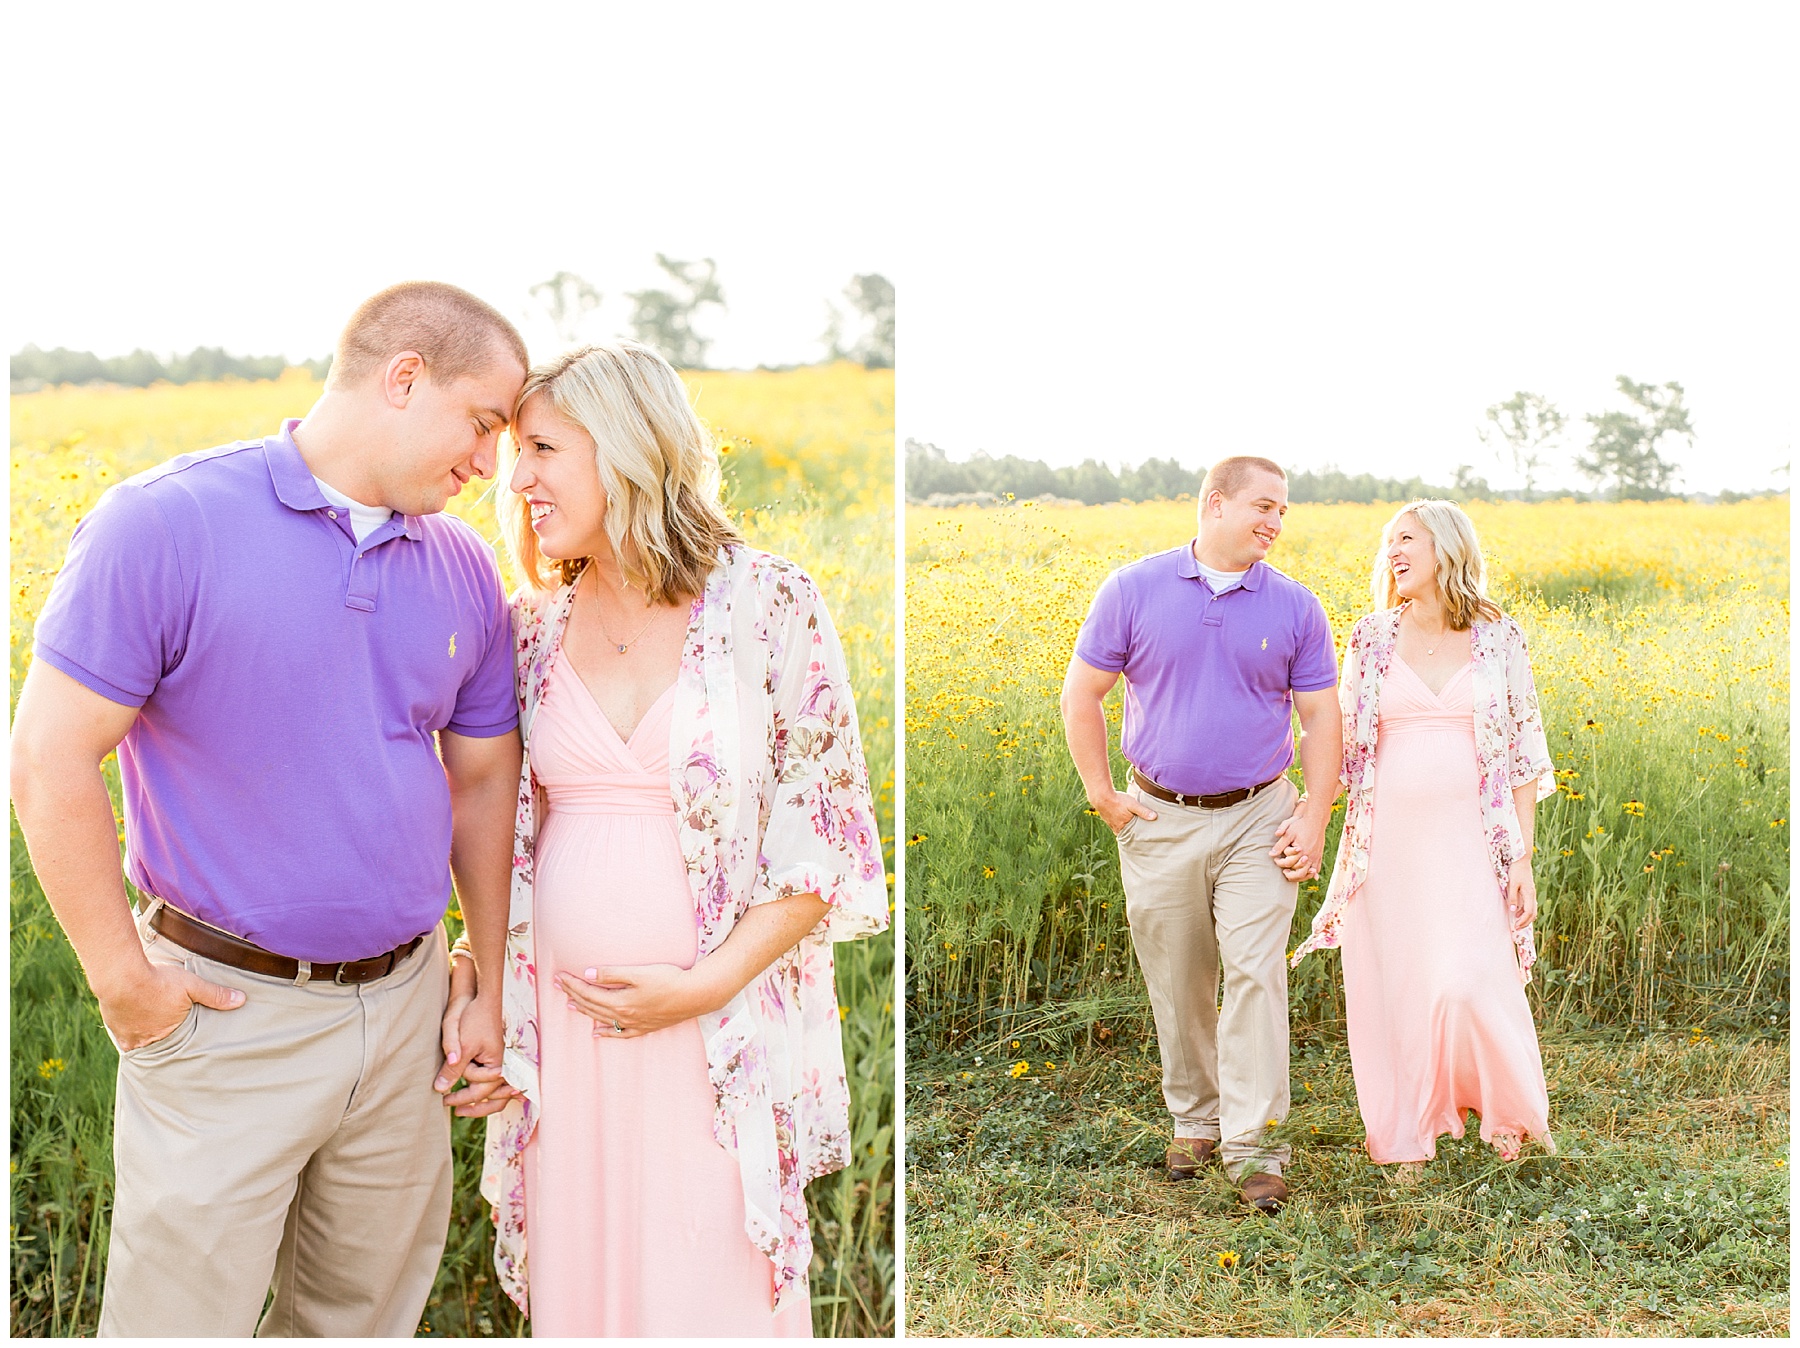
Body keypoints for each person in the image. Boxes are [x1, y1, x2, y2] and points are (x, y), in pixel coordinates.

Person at [9, 282, 528, 1335]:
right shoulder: (167, 523)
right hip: (224, 1017)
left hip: (405, 1019)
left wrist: (488, 973)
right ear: (403, 376)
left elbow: (481, 781)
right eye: (482, 423)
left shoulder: (466, 568)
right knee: (176, 1324)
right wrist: (121, 979)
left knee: (360, 1319)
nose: (490, 464)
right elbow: (48, 758)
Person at [440, 341, 889, 1336]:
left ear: (627, 450)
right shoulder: (530, 624)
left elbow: (825, 837)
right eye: (518, 448)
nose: (520, 476)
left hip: (710, 1023)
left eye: (545, 447)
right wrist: (477, 977)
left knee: (707, 1267)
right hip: (564, 1024)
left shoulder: (771, 603)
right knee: (588, 1276)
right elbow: (496, 827)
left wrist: (707, 984)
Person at [1060, 456, 1342, 1214]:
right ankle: (1196, 1121)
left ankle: (1258, 1146)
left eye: (1283, 511)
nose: (1276, 523)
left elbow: (1320, 718)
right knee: (1180, 977)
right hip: (1158, 818)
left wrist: (1313, 815)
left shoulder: (1295, 607)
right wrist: (1103, 795)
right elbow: (1082, 693)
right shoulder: (1133, 588)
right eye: (1263, 507)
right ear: (1215, 504)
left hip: (1260, 817)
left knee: (1256, 974)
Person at [1290, 500, 1556, 1176]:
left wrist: (1522, 856)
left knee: (1469, 980)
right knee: (1401, 989)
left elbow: (1524, 753)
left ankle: (1503, 1111)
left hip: (1474, 844)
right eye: (1388, 543)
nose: (1392, 552)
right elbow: (1341, 740)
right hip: (1388, 850)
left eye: (1406, 538)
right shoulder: (1371, 638)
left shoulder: (1500, 638)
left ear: (1446, 546)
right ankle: (1409, 1132)